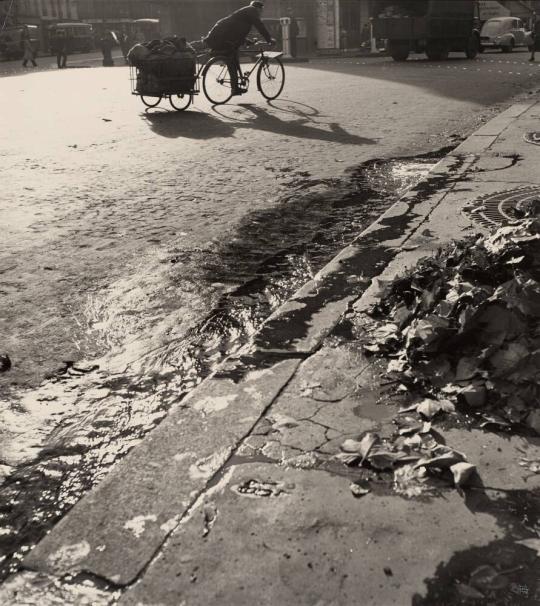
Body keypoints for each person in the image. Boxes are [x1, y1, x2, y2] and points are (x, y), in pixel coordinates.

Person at [204, 0, 275, 95]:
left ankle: (235, 86)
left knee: (233, 58)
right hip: (221, 37)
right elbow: (259, 25)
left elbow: (237, 32)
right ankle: (235, 88)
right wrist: (269, 39)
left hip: (221, 36)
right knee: (232, 61)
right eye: (261, 11)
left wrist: (248, 42)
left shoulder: (245, 13)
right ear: (258, 8)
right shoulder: (252, 10)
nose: (261, 13)